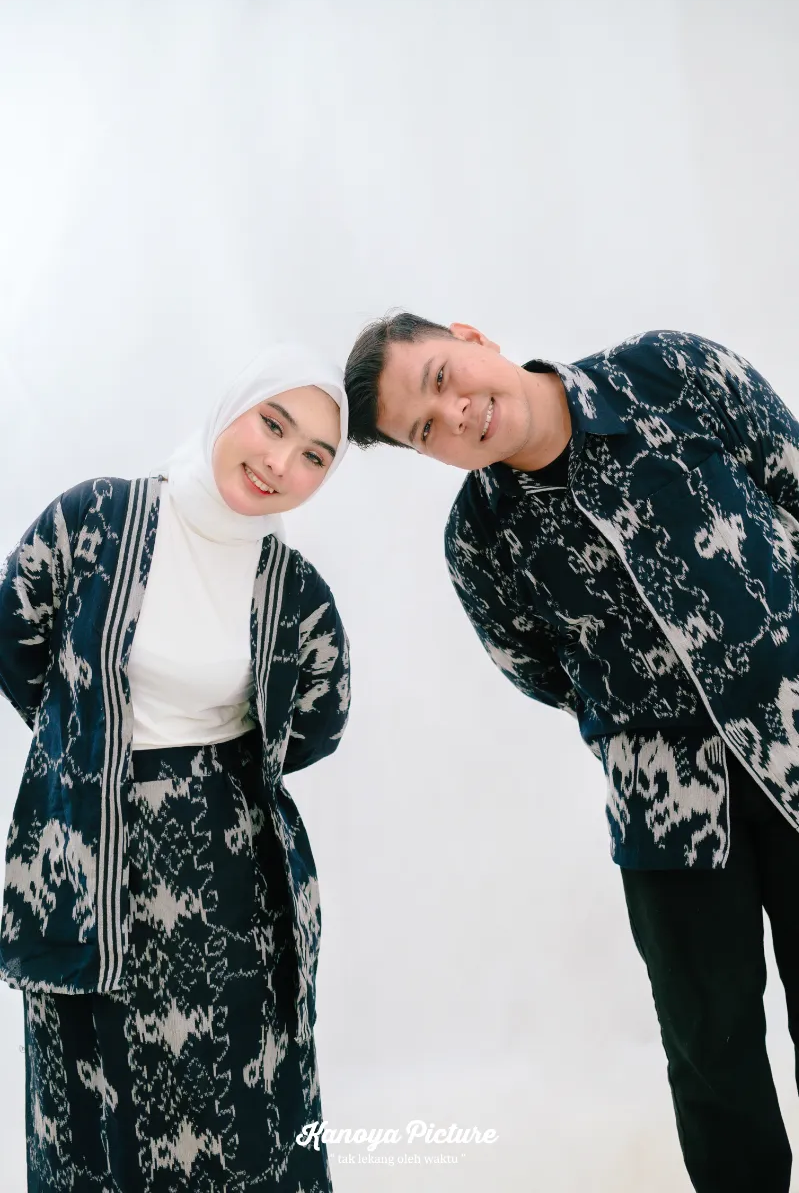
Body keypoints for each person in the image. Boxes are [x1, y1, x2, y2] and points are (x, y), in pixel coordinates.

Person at [344, 313, 799, 1193]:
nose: (456, 413)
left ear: (470, 338)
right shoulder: (480, 540)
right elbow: (538, 671)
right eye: (425, 430)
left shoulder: (669, 373)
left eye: (440, 378)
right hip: (667, 817)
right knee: (711, 1054)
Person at [0, 346, 351, 1192]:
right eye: (273, 424)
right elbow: (16, 634)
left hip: (230, 871)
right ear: (231, 408)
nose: (280, 463)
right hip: (84, 867)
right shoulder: (94, 519)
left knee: (240, 1104)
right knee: (96, 1104)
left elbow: (321, 715)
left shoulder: (292, 589)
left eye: (314, 456)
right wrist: (89, 741)